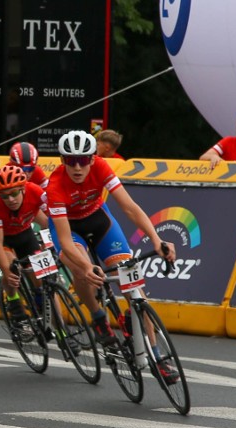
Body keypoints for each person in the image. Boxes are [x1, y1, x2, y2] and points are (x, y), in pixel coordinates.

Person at [44, 130, 178, 380]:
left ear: (93, 159)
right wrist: (86, 267)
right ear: (62, 161)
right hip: (70, 230)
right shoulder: (55, 186)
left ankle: (156, 355)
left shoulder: (102, 167)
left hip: (98, 220)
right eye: (70, 160)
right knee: (79, 268)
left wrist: (157, 240)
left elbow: (129, 208)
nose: (77, 166)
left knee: (134, 286)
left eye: (83, 160)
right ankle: (97, 316)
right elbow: (64, 241)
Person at [0, 165, 49, 323]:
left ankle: (60, 331)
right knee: (12, 269)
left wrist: (48, 247)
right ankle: (13, 300)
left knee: (42, 275)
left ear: (23, 188)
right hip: (2, 239)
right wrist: (6, 271)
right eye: (5, 196)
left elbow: (51, 222)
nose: (10, 199)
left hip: (24, 234)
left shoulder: (36, 191)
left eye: (14, 193)